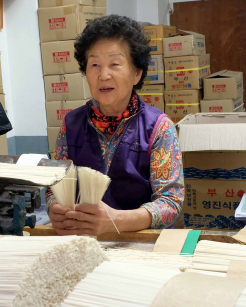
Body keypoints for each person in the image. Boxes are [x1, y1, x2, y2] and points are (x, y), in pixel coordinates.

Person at [46, 15, 184, 236]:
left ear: (137, 73)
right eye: (95, 65)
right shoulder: (70, 125)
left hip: (141, 244)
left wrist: (118, 220)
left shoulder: (159, 128)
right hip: (84, 243)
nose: (103, 75)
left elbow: (171, 203)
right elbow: (55, 186)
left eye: (114, 64)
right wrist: (54, 206)